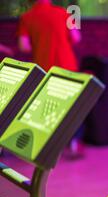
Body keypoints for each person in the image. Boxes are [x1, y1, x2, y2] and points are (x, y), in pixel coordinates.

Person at [18, 0, 84, 158]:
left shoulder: (27, 17)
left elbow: (24, 46)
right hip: (68, 66)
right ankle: (74, 144)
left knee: (48, 108)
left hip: (44, 69)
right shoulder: (65, 13)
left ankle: (49, 147)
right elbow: (76, 38)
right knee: (72, 107)